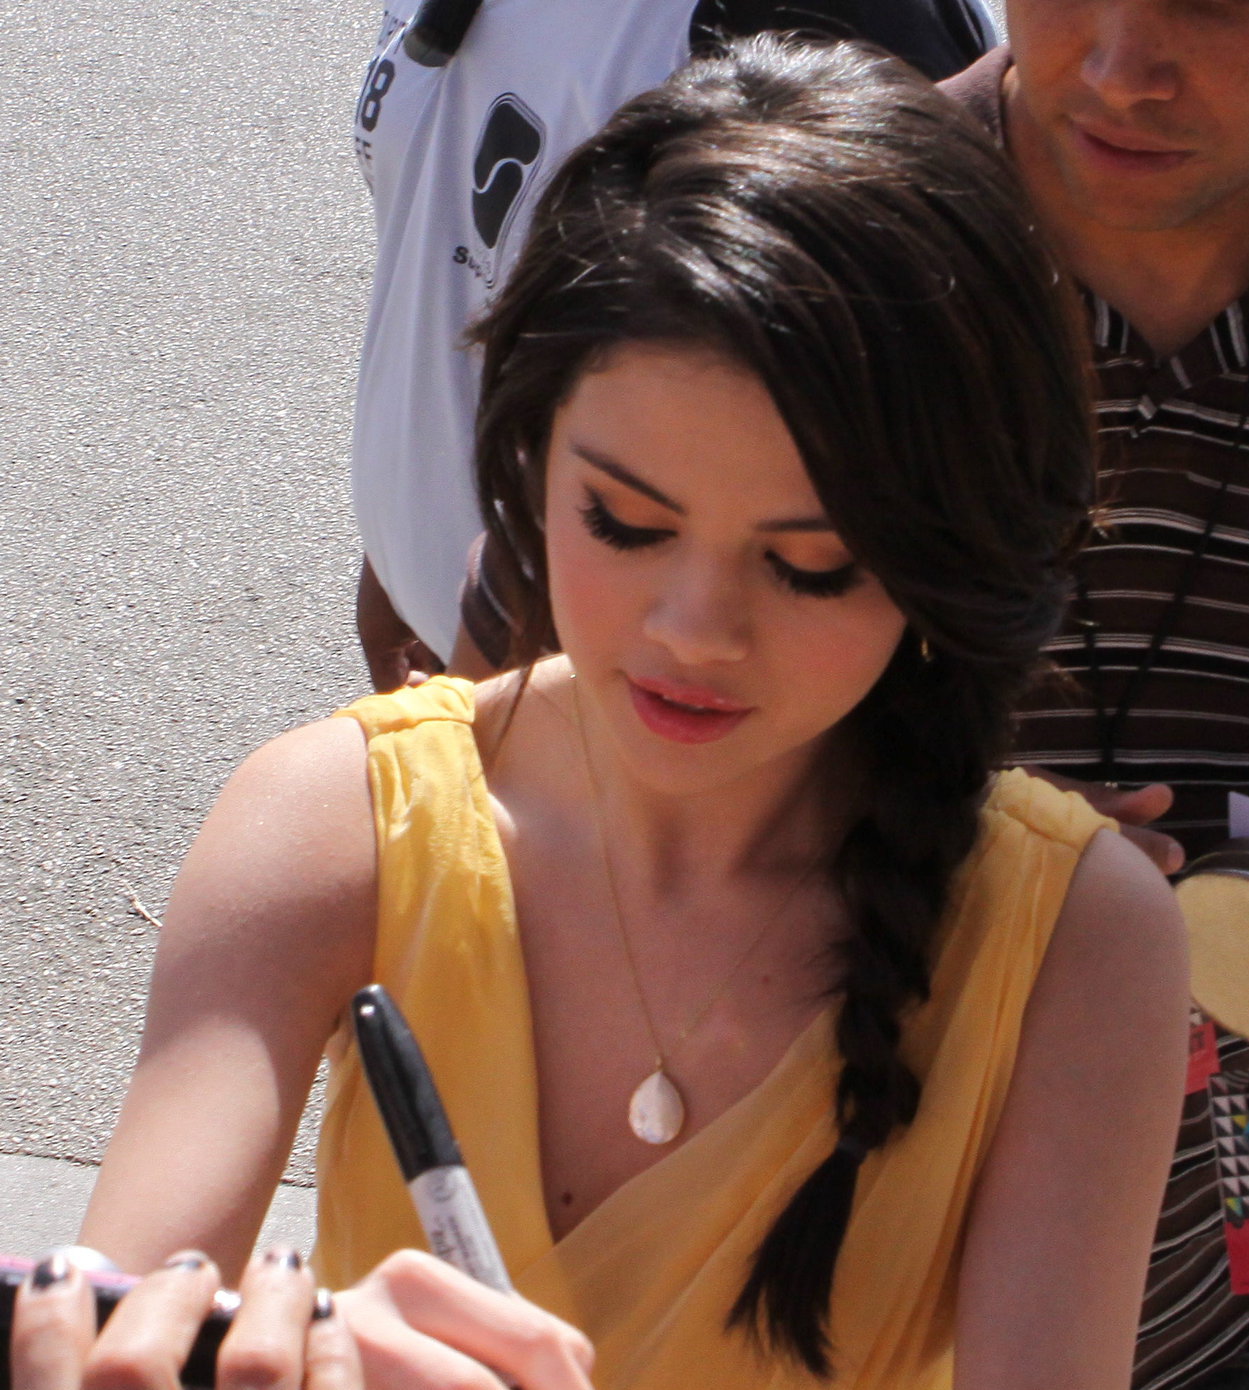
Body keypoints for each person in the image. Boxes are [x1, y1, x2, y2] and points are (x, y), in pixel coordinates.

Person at [39, 39, 1189, 1390]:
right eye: (623, 522)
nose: (693, 629)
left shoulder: (1074, 938)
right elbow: (114, 1315)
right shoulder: (334, 821)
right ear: (531, 463)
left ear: (951, 558)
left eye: (810, 564)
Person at [928, 2, 1249, 1386]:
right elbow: (510, 753)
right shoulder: (788, 273)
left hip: (1211, 1315)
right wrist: (900, 855)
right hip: (786, 1298)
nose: (1114, 65)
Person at [350, 0, 997, 689]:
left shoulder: (814, 22)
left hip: (627, 703)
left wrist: (527, 716)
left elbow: (890, 442)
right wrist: (397, 549)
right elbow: (452, 228)